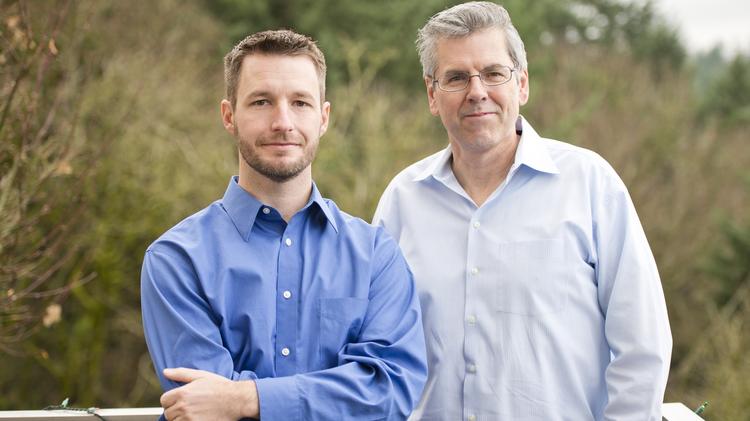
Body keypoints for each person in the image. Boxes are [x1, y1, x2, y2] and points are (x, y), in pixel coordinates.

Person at [373, 2, 672, 420]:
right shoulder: (402, 199)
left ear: (522, 84)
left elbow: (642, 345)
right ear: (432, 95)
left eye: (494, 73)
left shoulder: (590, 185)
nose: (477, 91)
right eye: (457, 78)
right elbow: (378, 348)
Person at [141, 29, 427, 421]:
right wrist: (336, 397)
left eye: (300, 102)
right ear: (229, 116)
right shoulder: (176, 260)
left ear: (323, 118)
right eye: (261, 102)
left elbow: (389, 391)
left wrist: (245, 399)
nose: (283, 122)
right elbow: (201, 410)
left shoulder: (376, 255)